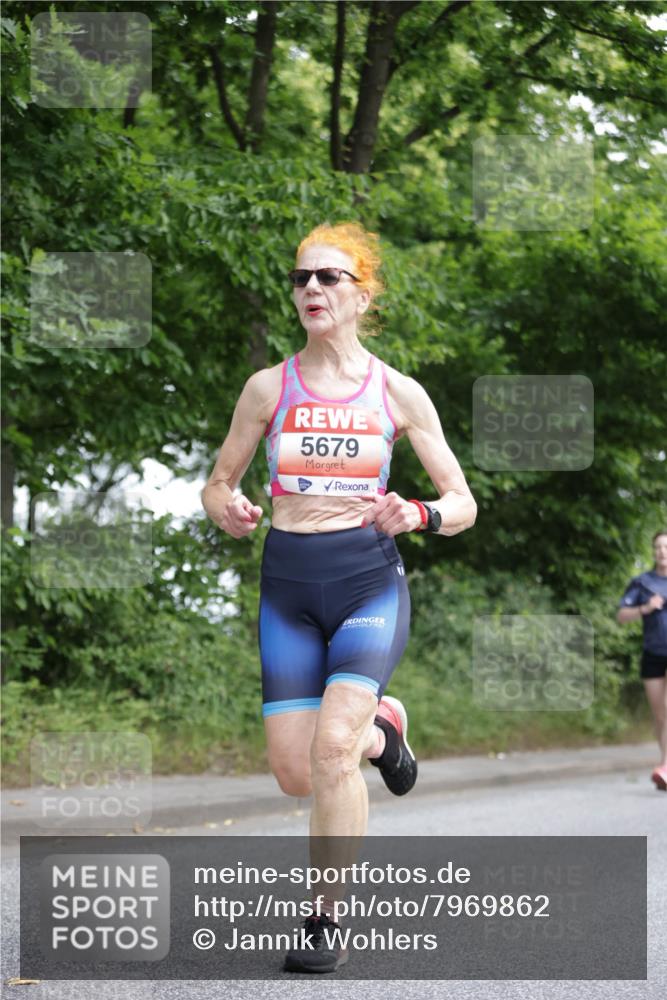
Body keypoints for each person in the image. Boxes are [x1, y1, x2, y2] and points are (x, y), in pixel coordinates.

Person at [201, 221, 477, 973]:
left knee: (330, 752)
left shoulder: (396, 392)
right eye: (301, 279)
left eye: (328, 278)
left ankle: (324, 921)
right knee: (297, 773)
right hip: (287, 584)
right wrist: (222, 507)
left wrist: (416, 512)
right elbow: (217, 481)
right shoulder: (267, 387)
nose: (312, 290)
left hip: (365, 578)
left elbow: (463, 503)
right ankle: (384, 734)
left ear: (361, 293)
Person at [617, 530, 667, 791]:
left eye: (666, 547)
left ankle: (666, 766)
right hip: (653, 653)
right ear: (653, 551)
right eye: (658, 547)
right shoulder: (642, 583)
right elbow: (622, 616)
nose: (662, 552)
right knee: (660, 715)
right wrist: (645, 608)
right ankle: (664, 763)